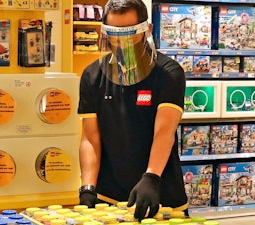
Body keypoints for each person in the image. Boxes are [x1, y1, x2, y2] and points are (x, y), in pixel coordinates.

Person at [77, 0, 188, 221]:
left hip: (160, 196)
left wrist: (151, 176)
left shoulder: (168, 73)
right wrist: (87, 188)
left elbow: (164, 132)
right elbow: (90, 138)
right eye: (114, 35)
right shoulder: (92, 76)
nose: (122, 43)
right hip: (108, 199)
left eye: (129, 35)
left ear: (147, 30)